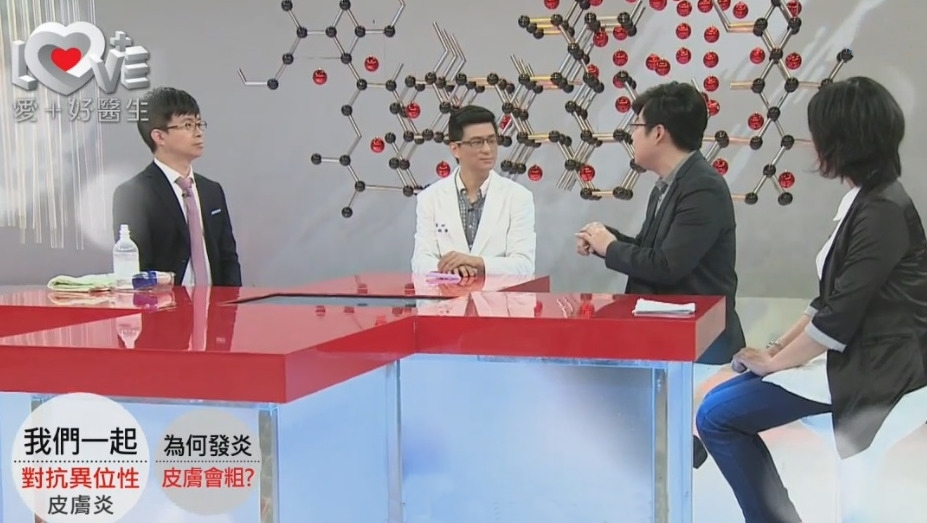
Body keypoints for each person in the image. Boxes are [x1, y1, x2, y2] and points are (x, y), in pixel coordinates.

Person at [695, 76, 927, 522]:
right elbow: (828, 299)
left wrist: (776, 363)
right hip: (858, 356)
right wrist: (776, 351)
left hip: (877, 369)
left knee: (718, 415)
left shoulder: (881, 211)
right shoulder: (867, 200)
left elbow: (837, 318)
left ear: (840, 139)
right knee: (722, 402)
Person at [575, 81, 746, 466]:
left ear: (658, 133)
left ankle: (680, 457)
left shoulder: (702, 188)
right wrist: (607, 241)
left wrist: (610, 247)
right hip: (661, 333)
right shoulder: (668, 185)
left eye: (636, 126)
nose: (632, 136)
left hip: (696, 340)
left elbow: (668, 267)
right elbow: (653, 251)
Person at [112, 87, 242, 287]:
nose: (198, 133)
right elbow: (139, 269)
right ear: (159, 136)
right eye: (188, 125)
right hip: (165, 303)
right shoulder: (133, 195)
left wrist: (231, 302)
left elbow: (228, 259)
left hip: (217, 303)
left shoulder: (212, 190)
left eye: (199, 124)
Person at [411, 105, 536, 276]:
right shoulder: (430, 198)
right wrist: (451, 268)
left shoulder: (518, 197)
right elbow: (421, 261)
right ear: (455, 149)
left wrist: (477, 262)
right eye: (477, 142)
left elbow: (524, 265)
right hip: (447, 292)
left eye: (491, 141)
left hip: (498, 293)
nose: (487, 149)